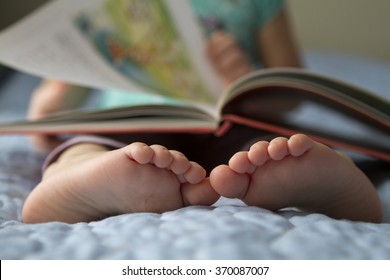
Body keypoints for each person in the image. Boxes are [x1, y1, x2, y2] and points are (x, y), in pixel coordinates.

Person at [23, 0, 382, 224]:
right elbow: (67, 84)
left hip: (232, 117)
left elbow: (291, 91)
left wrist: (247, 79)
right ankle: (76, 176)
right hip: (134, 119)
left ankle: (315, 178)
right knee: (89, 146)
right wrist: (49, 106)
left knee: (274, 147)